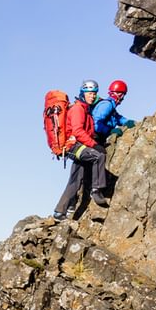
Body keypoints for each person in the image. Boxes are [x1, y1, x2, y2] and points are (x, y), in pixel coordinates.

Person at [53, 80, 109, 220]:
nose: (93, 96)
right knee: (98, 156)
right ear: (83, 94)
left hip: (77, 146)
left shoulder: (85, 110)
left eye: (94, 94)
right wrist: (94, 145)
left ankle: (60, 211)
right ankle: (96, 190)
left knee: (75, 180)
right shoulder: (78, 109)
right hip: (74, 146)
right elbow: (77, 131)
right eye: (90, 93)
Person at [93, 79, 135, 144]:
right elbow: (96, 123)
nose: (122, 98)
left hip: (101, 136)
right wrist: (109, 131)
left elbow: (118, 118)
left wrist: (127, 122)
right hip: (96, 138)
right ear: (117, 94)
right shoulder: (107, 105)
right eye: (122, 95)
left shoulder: (111, 106)